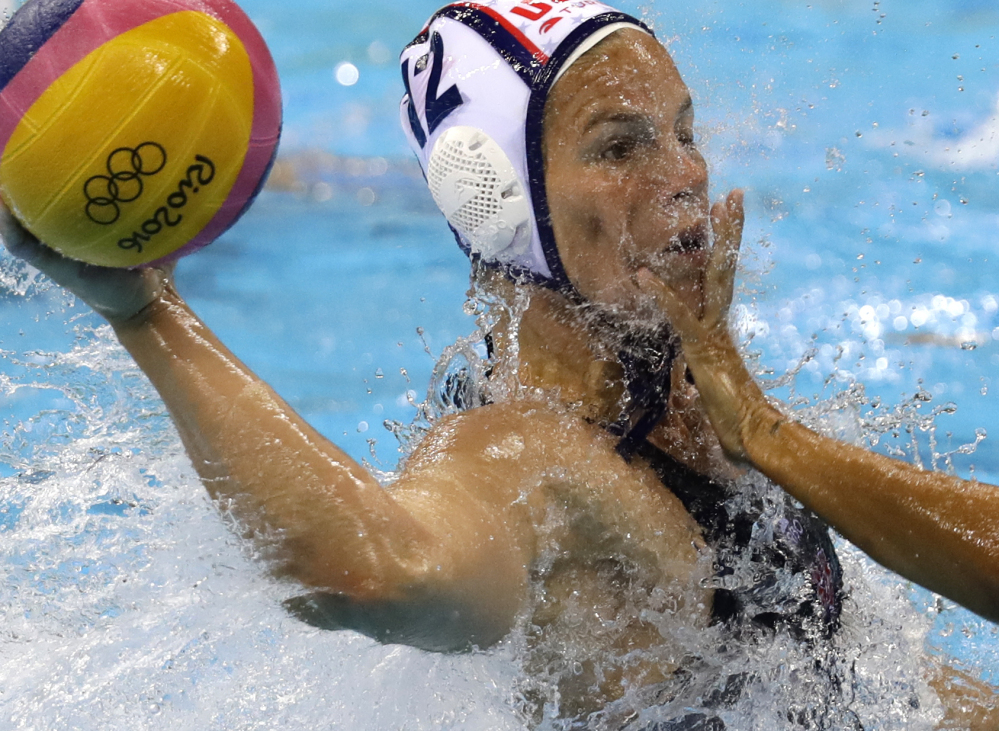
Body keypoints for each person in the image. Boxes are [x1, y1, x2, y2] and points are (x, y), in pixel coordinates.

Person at [0, 0, 996, 727]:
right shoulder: (535, 458)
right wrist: (146, 314)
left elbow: (853, 678)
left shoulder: (699, 391)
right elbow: (370, 571)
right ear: (502, 203)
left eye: (684, 132)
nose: (685, 171)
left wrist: (769, 436)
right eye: (620, 145)